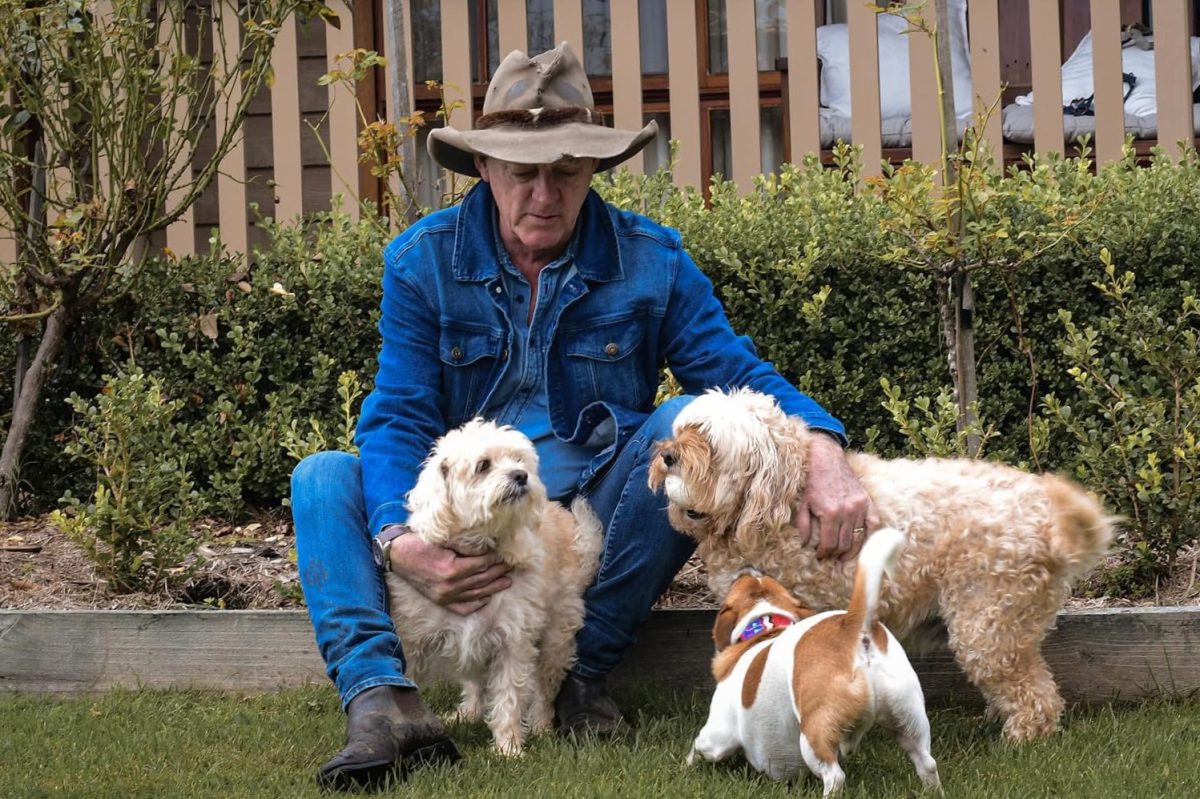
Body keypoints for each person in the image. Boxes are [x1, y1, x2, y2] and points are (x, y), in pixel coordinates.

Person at [291, 42, 878, 792]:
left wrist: (822, 447)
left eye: (565, 170)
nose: (544, 192)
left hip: (597, 508)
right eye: (522, 171)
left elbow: (735, 374)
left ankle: (580, 675)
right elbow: (397, 417)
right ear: (484, 168)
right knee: (322, 478)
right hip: (471, 513)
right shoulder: (422, 261)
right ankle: (382, 699)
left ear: (593, 170)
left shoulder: (653, 260)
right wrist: (402, 540)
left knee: (682, 428)